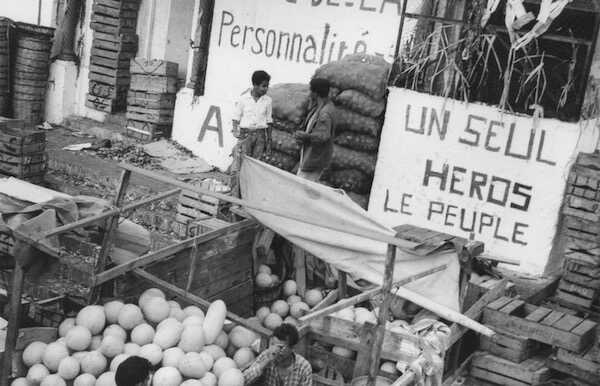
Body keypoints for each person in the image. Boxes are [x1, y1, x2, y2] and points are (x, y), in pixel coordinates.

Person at [231, 70, 273, 197]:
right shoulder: (243, 99)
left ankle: (248, 197)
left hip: (260, 136)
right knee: (240, 166)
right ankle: (235, 197)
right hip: (246, 136)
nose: (266, 88)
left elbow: (269, 121)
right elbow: (236, 118)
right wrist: (235, 131)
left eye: (267, 86)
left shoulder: (268, 101)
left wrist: (269, 141)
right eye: (263, 86)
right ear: (254, 85)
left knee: (254, 168)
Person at [293, 78, 336, 182]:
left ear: (315, 93)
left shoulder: (325, 113)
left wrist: (305, 136)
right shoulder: (319, 107)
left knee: (301, 189)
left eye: (310, 90)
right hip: (311, 156)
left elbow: (323, 136)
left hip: (315, 159)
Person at [243, 323, 312, 386]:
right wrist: (265, 362)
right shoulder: (267, 355)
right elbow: (244, 380)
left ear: (292, 348)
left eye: (281, 347)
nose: (276, 350)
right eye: (273, 344)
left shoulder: (304, 367)